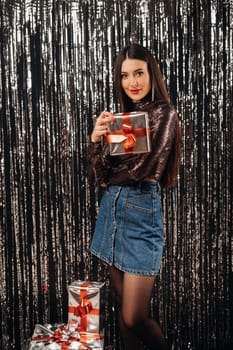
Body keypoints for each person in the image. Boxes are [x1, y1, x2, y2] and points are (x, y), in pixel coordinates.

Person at [87, 43, 181, 350]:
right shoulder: (122, 118)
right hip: (111, 210)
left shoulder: (164, 113)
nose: (133, 82)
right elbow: (100, 177)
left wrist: (112, 164)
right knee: (118, 298)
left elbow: (142, 170)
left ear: (151, 75)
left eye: (139, 73)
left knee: (133, 316)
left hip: (140, 213)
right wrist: (96, 139)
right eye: (125, 76)